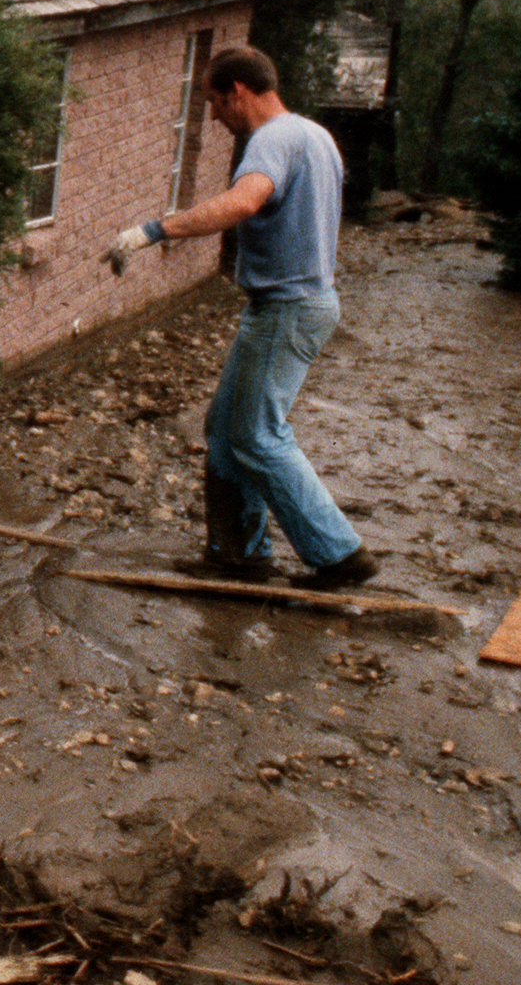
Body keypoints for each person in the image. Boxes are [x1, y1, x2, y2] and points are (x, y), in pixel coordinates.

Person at [108, 47, 378, 589]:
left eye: (212, 100)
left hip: (289, 307)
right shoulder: (314, 134)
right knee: (225, 431)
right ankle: (239, 554)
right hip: (300, 304)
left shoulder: (271, 140)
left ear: (237, 91)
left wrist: (154, 231)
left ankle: (340, 555)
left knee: (257, 434)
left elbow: (244, 202)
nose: (211, 115)